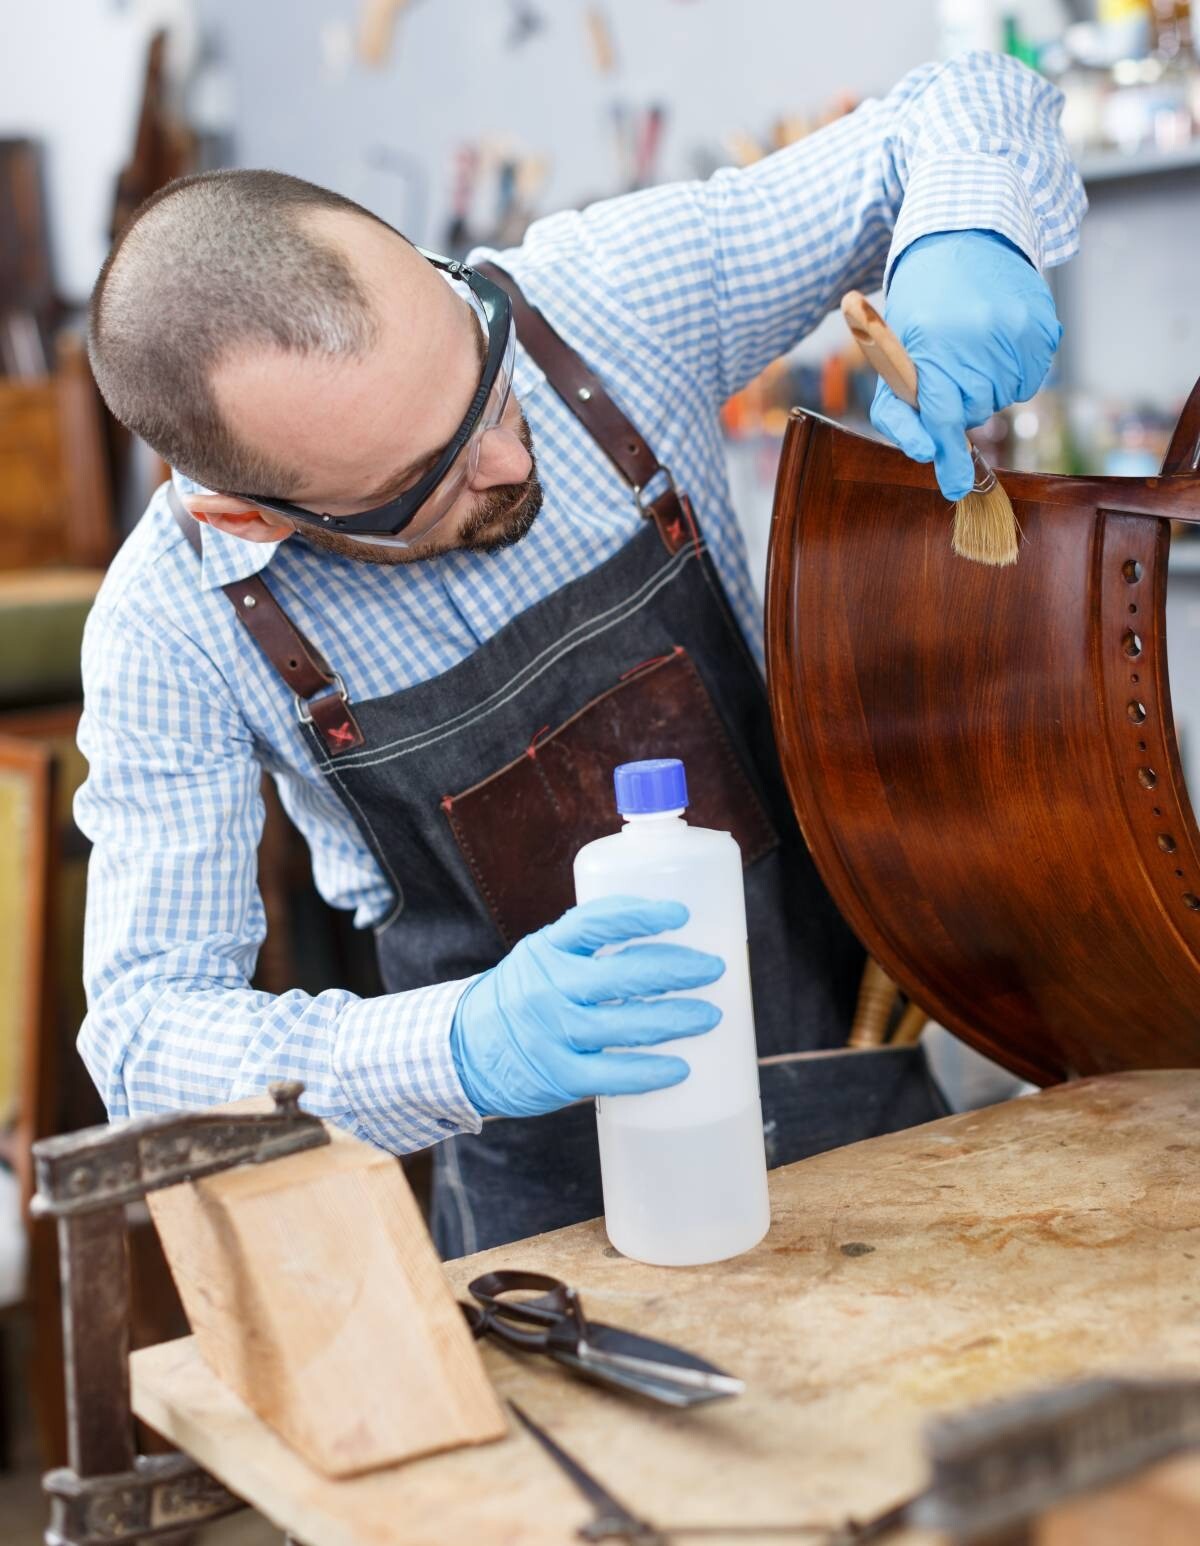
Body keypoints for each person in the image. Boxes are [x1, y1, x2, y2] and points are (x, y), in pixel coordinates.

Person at [78, 51, 1084, 1256]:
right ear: (247, 514)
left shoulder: (601, 302)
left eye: (484, 372)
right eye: (421, 486)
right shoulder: (173, 627)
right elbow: (145, 1048)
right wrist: (462, 1045)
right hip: (549, 1228)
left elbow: (961, 103)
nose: (506, 459)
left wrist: (960, 240)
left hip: (860, 1110)